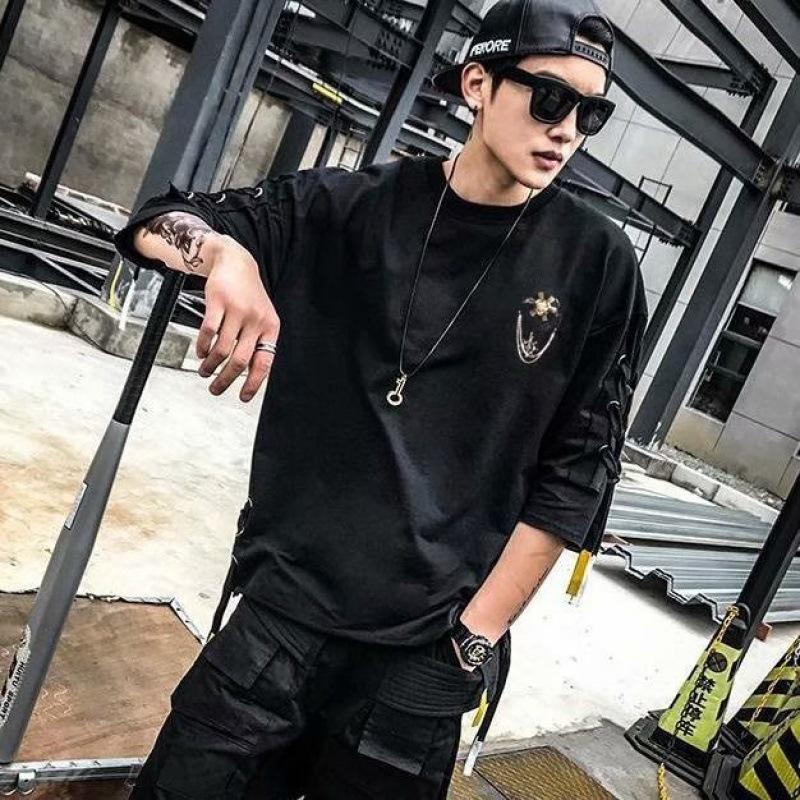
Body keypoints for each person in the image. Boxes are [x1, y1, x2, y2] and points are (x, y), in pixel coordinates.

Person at [113, 0, 649, 796]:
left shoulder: (597, 266)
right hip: (281, 621)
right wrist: (224, 254)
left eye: (590, 114)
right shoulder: (352, 206)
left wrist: (473, 642)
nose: (567, 129)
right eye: (549, 99)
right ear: (478, 83)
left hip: (424, 656)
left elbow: (579, 474)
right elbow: (157, 222)